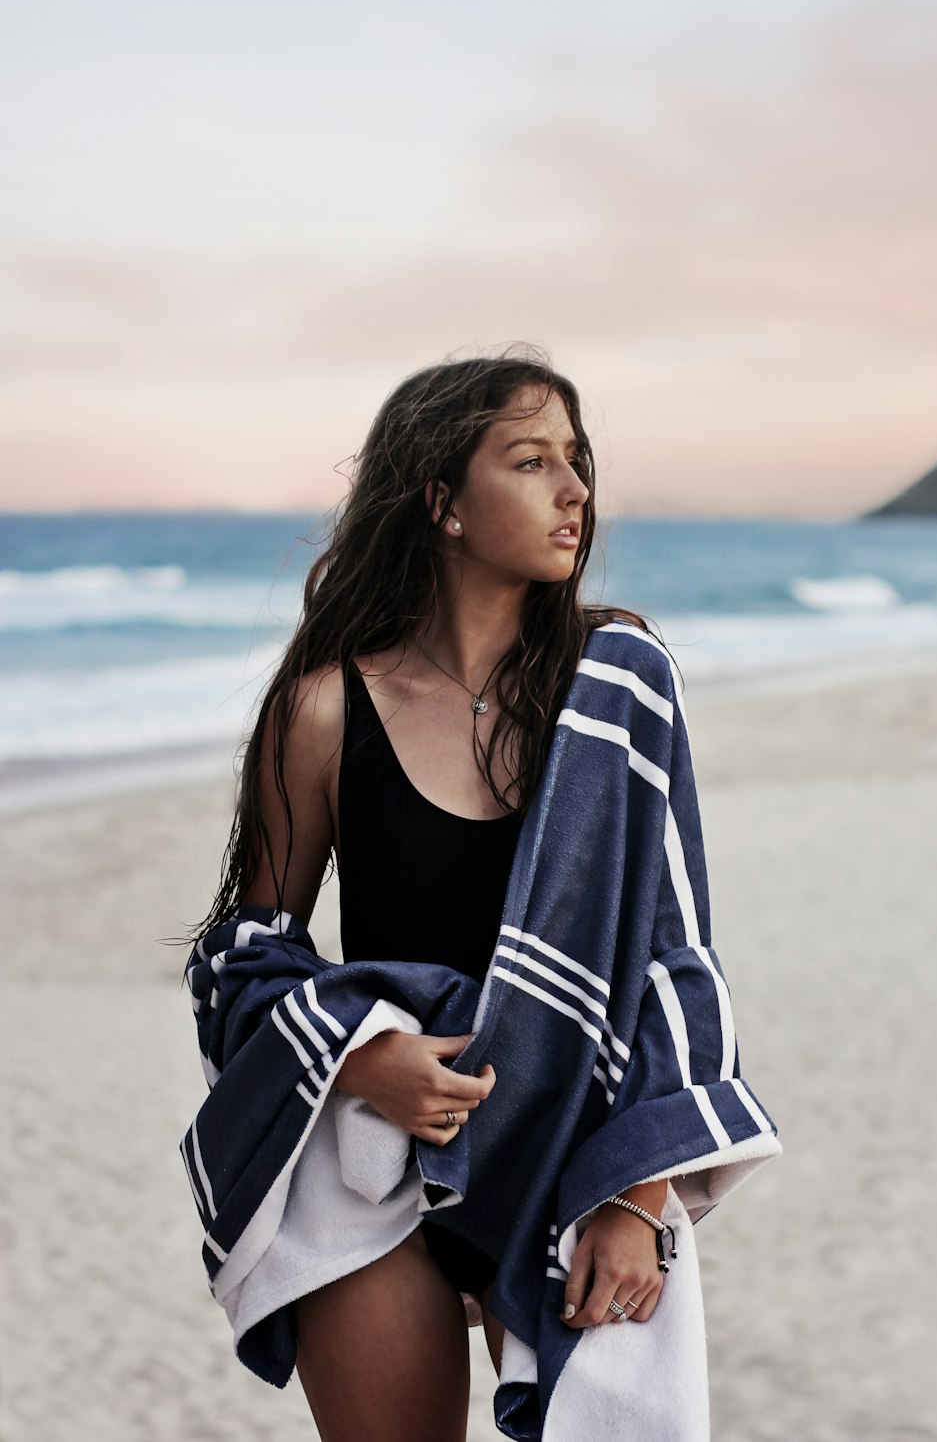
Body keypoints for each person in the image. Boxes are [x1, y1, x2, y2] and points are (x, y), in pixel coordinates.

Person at [183, 346, 780, 1442]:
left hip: (574, 1147)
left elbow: (671, 953)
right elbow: (242, 950)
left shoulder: (619, 685)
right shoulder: (323, 709)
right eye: (532, 461)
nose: (576, 491)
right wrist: (363, 1059)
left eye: (577, 461)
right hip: (373, 1157)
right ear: (443, 502)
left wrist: (638, 1198)